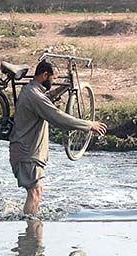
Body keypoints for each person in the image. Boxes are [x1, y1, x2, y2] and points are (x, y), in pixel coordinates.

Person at [9, 59, 107, 216]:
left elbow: (46, 101)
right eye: (53, 79)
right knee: (35, 192)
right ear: (44, 75)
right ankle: (31, 232)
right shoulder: (34, 96)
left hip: (29, 151)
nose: (54, 82)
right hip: (27, 153)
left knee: (36, 191)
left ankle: (31, 226)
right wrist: (88, 125)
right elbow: (57, 117)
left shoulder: (33, 90)